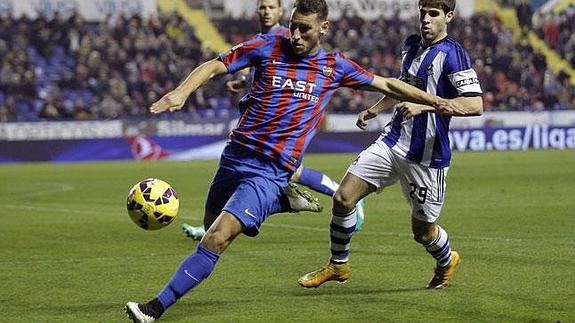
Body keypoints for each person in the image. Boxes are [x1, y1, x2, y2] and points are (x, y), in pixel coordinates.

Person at [125, 0, 462, 321]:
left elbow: (387, 83)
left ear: (323, 28)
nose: (296, 37)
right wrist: (182, 91)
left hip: (271, 170)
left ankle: (154, 308)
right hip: (235, 156)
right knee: (209, 227)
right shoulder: (266, 45)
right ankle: (281, 202)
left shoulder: (334, 66)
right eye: (293, 28)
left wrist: (437, 101)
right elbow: (216, 65)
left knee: (218, 238)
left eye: (304, 29)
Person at [298, 0, 483, 290]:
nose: (425, 19)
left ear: (448, 16)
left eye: (433, 14)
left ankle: (447, 261)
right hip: (392, 141)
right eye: (423, 13)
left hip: (426, 156)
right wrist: (378, 107)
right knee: (344, 197)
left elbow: (474, 104)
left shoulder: (454, 54)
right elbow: (403, 85)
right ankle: (338, 265)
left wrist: (425, 108)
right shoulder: (410, 44)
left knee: (423, 232)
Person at [180, 0, 363, 242]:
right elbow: (271, 72)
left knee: (288, 173)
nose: (266, 12)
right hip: (261, 120)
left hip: (284, 124)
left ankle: (348, 199)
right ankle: (217, 226)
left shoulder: (286, 38)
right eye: (262, 7)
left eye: (271, 7)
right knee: (277, 176)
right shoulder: (264, 40)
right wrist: (245, 83)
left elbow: (302, 72)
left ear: (280, 12)